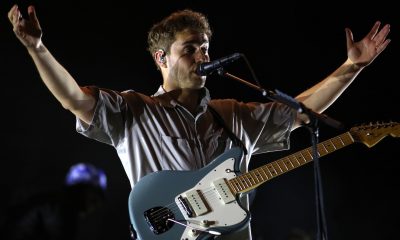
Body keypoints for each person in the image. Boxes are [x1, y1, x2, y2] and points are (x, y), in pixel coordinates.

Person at [7, 4, 391, 240]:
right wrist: (37, 48)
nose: (201, 55)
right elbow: (74, 98)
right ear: (162, 59)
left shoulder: (231, 114)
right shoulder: (134, 110)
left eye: (205, 47)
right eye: (189, 49)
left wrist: (351, 67)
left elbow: (300, 110)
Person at [1, 163, 107, 240]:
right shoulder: (63, 210)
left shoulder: (50, 201)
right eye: (94, 198)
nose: (95, 206)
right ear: (80, 189)